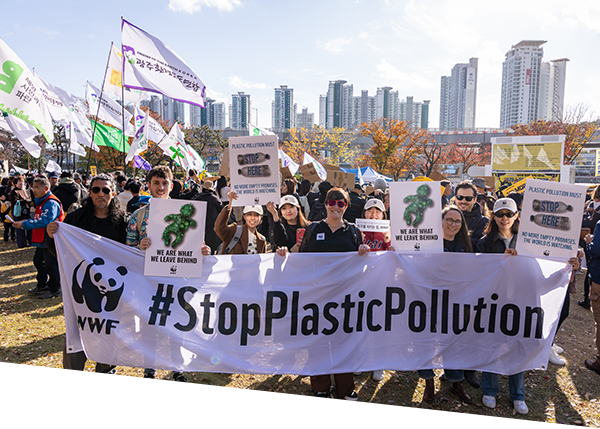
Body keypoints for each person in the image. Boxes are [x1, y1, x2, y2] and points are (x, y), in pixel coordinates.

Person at [278, 187, 369, 401]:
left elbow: (361, 264)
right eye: (332, 202)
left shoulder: (354, 231)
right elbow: (302, 259)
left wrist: (364, 253)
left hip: (344, 296)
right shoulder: (313, 229)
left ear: (346, 207)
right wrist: (284, 254)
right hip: (317, 295)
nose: (336, 207)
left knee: (343, 342)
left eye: (341, 203)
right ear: (325, 204)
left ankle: (346, 388)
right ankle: (320, 386)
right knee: (317, 342)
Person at [126, 165, 210, 382]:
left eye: (164, 183)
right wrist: (139, 246)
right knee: (148, 325)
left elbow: (196, 244)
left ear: (172, 185)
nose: (160, 187)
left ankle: (177, 368)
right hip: (147, 281)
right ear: (149, 185)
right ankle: (149, 368)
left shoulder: (189, 211)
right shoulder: (139, 215)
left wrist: (203, 251)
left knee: (176, 325)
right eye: (156, 182)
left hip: (176, 280)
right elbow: (126, 247)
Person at [46, 173, 127, 374]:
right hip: (81, 288)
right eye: (96, 190)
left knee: (109, 335)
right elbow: (59, 249)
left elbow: (132, 253)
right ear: (89, 192)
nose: (101, 194)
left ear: (113, 193)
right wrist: (52, 235)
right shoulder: (75, 218)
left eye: (106, 190)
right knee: (77, 332)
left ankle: (106, 371)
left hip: (113, 291)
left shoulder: (124, 222)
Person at [418, 205, 473, 404]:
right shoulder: (426, 242)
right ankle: (428, 380)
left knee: (453, 340)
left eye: (457, 221)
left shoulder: (465, 245)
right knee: (425, 339)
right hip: (427, 298)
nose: (453, 224)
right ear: (440, 221)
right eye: (449, 220)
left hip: (455, 299)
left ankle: (456, 381)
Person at [476, 197, 526, 414]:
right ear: (493, 216)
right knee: (491, 345)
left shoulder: (528, 242)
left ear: (516, 216)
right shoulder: (484, 242)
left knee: (518, 347)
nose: (504, 218)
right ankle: (489, 389)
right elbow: (479, 273)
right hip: (493, 302)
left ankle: (518, 395)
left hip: (520, 302)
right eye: (499, 214)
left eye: (509, 214)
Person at [13, 176, 65, 299]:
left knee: (50, 265)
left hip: (50, 239)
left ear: (46, 188)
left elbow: (46, 220)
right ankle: (42, 285)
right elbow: (39, 219)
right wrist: (27, 221)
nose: (33, 190)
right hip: (42, 239)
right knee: (38, 261)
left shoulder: (51, 202)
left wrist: (24, 224)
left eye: (36, 187)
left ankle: (54, 289)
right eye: (33, 187)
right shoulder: (42, 201)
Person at [359, 197, 393, 382]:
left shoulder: (388, 231)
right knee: (361, 321)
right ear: (364, 213)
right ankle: (362, 359)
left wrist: (391, 247)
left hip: (382, 283)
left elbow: (394, 253)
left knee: (380, 323)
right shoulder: (357, 231)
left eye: (377, 211)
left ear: (383, 215)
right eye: (370, 211)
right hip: (361, 284)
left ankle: (379, 362)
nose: (373, 214)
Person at [454, 180, 489, 247]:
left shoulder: (484, 222)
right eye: (460, 197)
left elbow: (480, 245)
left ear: (475, 200)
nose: (463, 201)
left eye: (468, 198)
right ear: (455, 198)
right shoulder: (444, 218)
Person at [192, 180, 224, 254]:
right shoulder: (214, 199)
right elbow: (222, 210)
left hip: (199, 227)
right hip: (212, 227)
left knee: (200, 250)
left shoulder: (197, 198)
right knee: (212, 250)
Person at [9, 175, 33, 248]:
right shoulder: (13, 192)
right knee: (20, 229)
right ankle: (22, 244)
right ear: (15, 184)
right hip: (18, 212)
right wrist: (25, 201)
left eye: (22, 182)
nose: (21, 183)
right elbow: (14, 201)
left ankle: (30, 241)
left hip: (26, 212)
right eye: (20, 182)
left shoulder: (24, 190)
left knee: (29, 227)